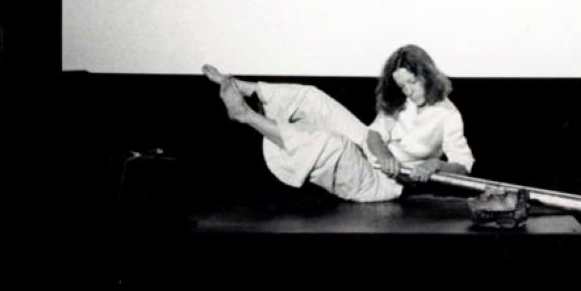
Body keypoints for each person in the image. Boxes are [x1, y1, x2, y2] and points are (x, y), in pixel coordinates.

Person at [202, 45, 474, 203]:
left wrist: (435, 165)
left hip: (385, 183)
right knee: (312, 97)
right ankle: (241, 86)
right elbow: (374, 135)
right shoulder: (402, 101)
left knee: (331, 145)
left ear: (428, 75)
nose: (408, 92)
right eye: (402, 86)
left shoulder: (448, 115)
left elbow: (462, 165)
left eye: (412, 83)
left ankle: (246, 116)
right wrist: (383, 153)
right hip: (372, 155)